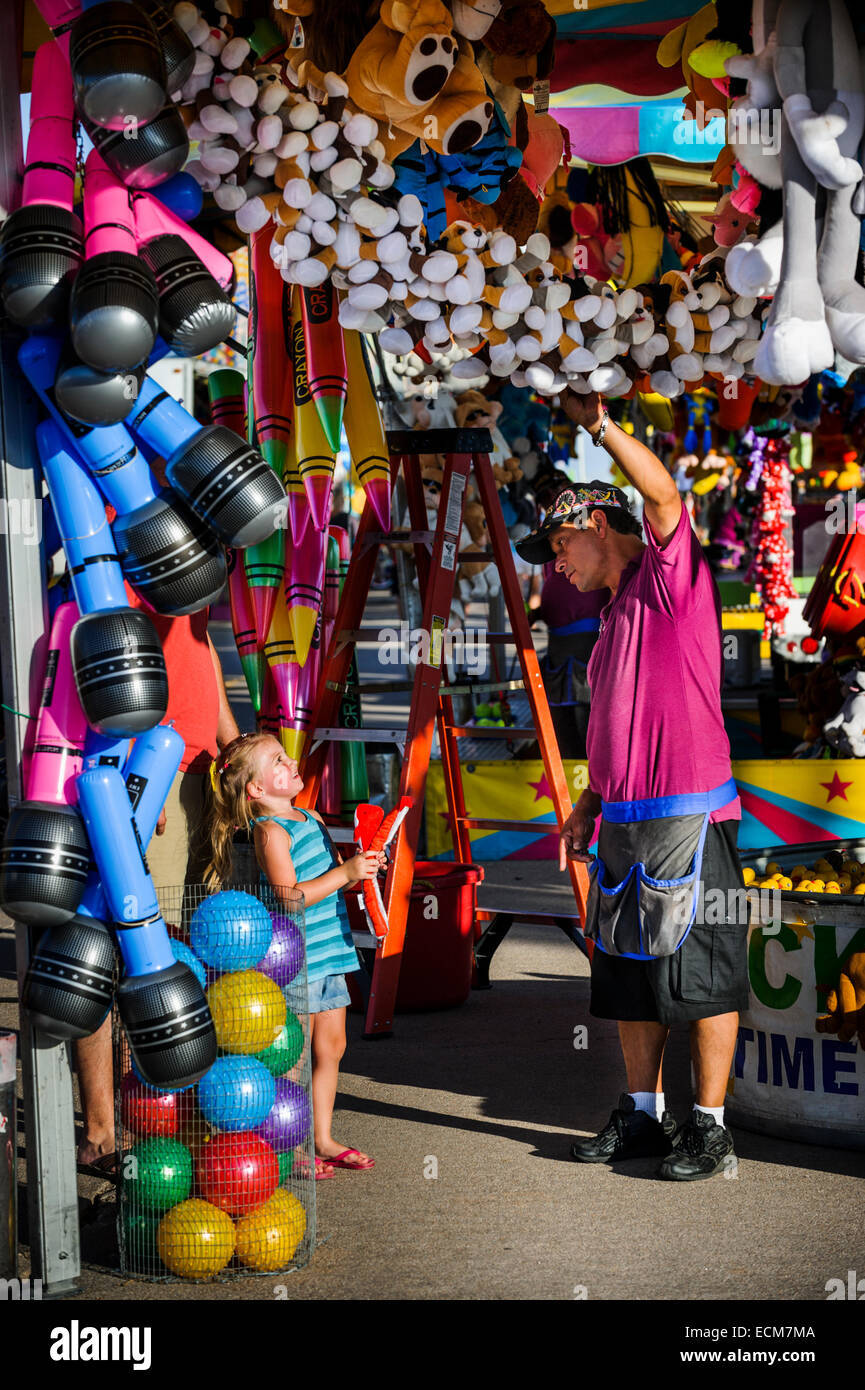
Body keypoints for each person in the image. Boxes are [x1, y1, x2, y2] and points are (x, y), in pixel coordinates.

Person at [515, 391, 748, 1182]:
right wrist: (585, 804)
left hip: (690, 817)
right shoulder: (613, 620)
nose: (555, 563)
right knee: (627, 977)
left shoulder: (666, 584)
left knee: (703, 975)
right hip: (621, 823)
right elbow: (616, 726)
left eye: (559, 543)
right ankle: (642, 1116)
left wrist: (598, 423)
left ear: (597, 526)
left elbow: (661, 496)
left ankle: (709, 1129)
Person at [74, 592, 240, 1177]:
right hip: (152, 765)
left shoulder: (191, 529)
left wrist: (233, 746)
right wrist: (133, 766)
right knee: (118, 951)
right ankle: (103, 1130)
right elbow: (105, 647)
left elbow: (200, 643)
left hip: (197, 771)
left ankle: (159, 1114)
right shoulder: (131, 518)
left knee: (181, 950)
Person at [206, 732, 384, 1179]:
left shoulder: (311, 817)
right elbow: (290, 899)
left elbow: (329, 880)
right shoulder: (270, 832)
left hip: (332, 951)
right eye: (278, 761)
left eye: (287, 756)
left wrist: (360, 869)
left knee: (334, 1046)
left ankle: (322, 1137)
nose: (291, 762)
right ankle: (291, 1143)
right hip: (298, 962)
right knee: (293, 1055)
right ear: (257, 791)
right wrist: (345, 872)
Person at [530, 474, 609, 760]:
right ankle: (571, 774)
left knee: (586, 715)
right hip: (558, 646)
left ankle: (592, 778)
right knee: (561, 717)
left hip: (588, 643)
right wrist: (537, 612)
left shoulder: (587, 535)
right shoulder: (551, 540)